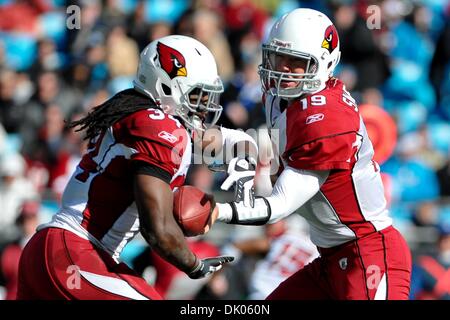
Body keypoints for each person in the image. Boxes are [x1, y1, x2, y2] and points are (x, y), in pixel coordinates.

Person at [16, 35, 259, 300]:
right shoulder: (160, 127)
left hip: (50, 251)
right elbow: (157, 230)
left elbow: (205, 139)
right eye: (197, 95)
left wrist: (246, 142)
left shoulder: (141, 114)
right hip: (75, 253)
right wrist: (195, 265)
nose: (204, 107)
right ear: (165, 86)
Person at [211, 8, 412, 300]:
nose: (284, 70)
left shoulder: (327, 118)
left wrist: (218, 211)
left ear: (323, 64)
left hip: (368, 256)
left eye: (296, 62)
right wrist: (200, 140)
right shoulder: (280, 98)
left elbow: (279, 205)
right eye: (279, 59)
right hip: (330, 260)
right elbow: (265, 146)